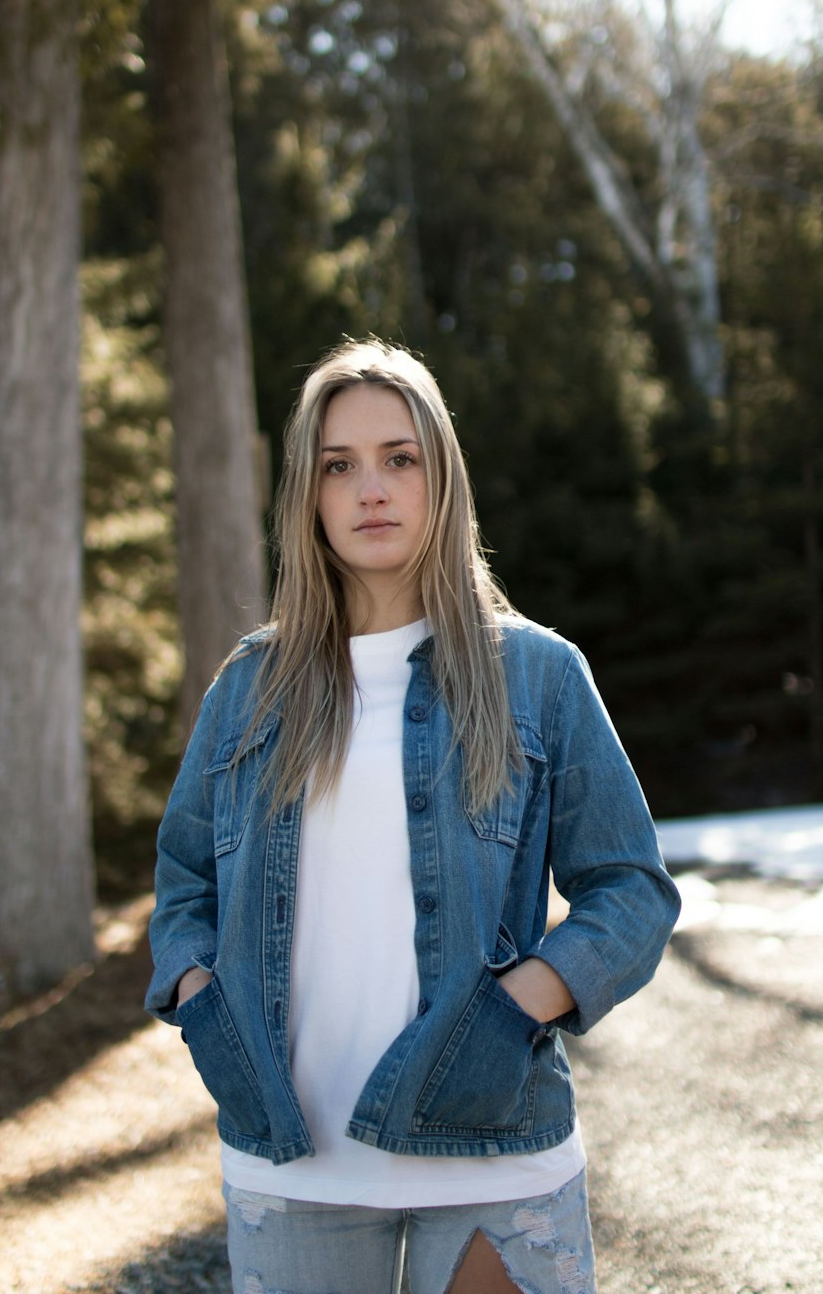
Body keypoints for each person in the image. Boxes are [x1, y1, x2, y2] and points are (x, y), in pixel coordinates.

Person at [146, 338, 681, 1294]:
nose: (371, 490)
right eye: (338, 466)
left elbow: (630, 891)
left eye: (400, 458)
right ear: (308, 496)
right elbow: (186, 878)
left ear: (444, 480)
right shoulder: (248, 689)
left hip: (496, 1157)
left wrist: (518, 1008)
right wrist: (199, 1000)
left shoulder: (540, 676)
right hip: (290, 1164)